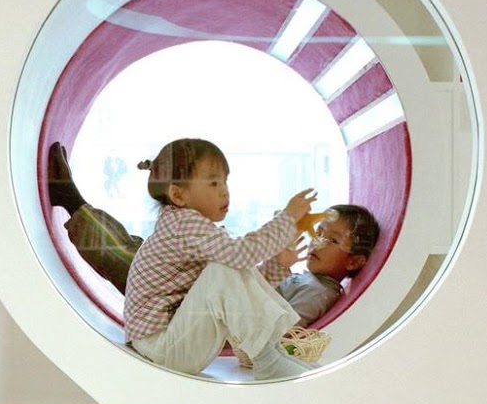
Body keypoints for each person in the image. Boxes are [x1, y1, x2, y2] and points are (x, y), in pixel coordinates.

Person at [45, 140, 378, 326]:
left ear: (354, 262)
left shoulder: (318, 293)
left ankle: (72, 203)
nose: (318, 241)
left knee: (126, 259)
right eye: (320, 232)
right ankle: (77, 205)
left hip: (193, 312)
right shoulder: (306, 280)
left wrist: (282, 230)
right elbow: (258, 286)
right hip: (203, 295)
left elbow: (278, 327)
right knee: (141, 247)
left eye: (333, 240)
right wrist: (279, 259)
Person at [119, 137, 315, 380]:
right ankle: (267, 358)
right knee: (228, 263)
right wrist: (287, 219)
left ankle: (268, 353)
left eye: (225, 181)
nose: (224, 191)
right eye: (213, 183)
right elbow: (240, 257)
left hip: (174, 342)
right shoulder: (183, 224)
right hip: (161, 348)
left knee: (228, 263)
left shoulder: (195, 231)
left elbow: (238, 289)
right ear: (178, 195)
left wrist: (278, 264)